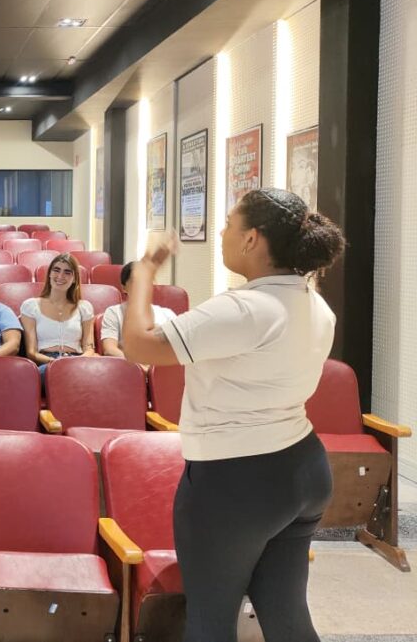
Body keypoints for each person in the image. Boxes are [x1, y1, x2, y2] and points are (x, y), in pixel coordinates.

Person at [121, 189, 345, 642]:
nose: (221, 232)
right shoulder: (314, 303)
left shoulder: (243, 309)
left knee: (210, 621)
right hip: (302, 469)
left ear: (252, 239)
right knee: (287, 616)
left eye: (227, 223)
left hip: (235, 482)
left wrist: (143, 273)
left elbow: (138, 345)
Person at [19, 253, 96, 379]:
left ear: (74, 279)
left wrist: (77, 362)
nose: (60, 276)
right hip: (46, 362)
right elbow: (31, 353)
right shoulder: (31, 306)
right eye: (56, 270)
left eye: (67, 272)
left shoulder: (84, 307)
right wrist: (56, 362)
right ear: (49, 274)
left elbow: (89, 348)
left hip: (77, 360)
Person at [99, 261, 177, 362]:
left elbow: (179, 347)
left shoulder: (167, 314)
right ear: (124, 288)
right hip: (129, 367)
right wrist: (139, 363)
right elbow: (110, 349)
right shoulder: (114, 312)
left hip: (161, 367)